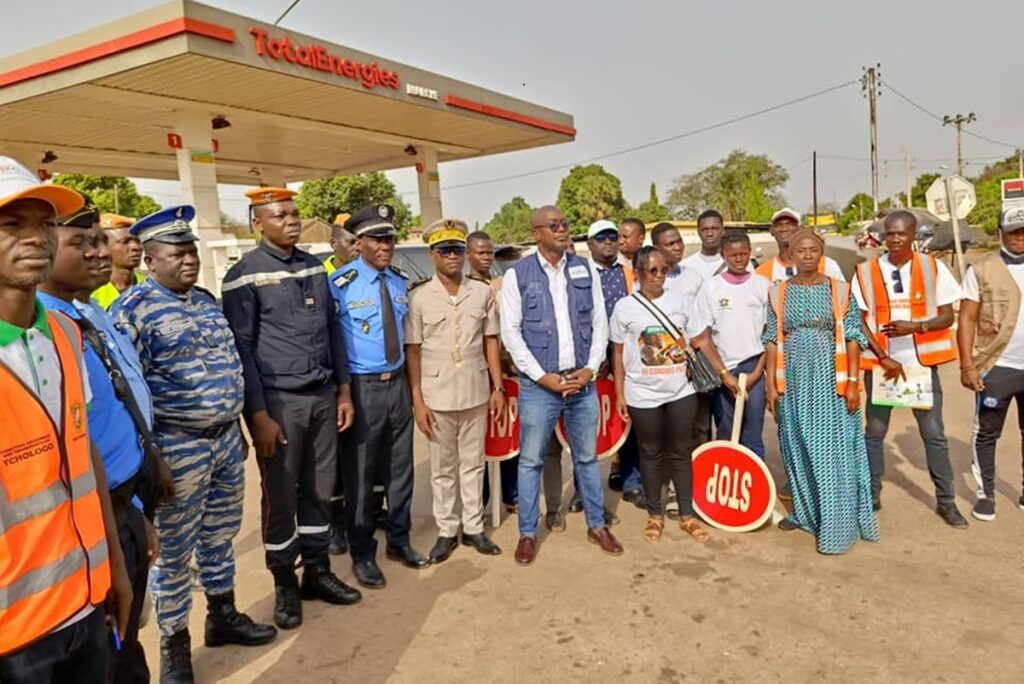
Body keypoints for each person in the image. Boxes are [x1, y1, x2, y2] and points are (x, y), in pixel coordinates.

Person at [114, 206, 277, 682]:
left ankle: (222, 615)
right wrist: (153, 458)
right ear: (150, 260)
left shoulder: (207, 301)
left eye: (192, 251)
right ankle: (174, 644)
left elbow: (229, 366)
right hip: (176, 448)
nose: (188, 260)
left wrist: (238, 431)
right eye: (176, 253)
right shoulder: (133, 311)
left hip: (224, 441)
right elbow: (130, 392)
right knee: (174, 552)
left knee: (220, 536)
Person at [0, 157, 132, 683]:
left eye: (46, 224)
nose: (36, 238)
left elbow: (83, 454)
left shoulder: (64, 336)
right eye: (12, 224)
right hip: (14, 640)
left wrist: (115, 568)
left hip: (84, 603)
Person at [38, 204, 168, 684]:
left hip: (128, 498)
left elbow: (122, 399)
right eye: (82, 244)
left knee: (128, 635)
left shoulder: (89, 311)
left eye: (99, 241)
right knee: (111, 647)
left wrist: (149, 465)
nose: (98, 253)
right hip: (97, 511)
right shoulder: (46, 329)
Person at [222, 188, 360, 631]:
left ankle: (316, 572)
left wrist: (343, 391)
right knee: (280, 496)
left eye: (294, 213)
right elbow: (242, 349)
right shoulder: (243, 275)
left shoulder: (314, 266)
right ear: (258, 224)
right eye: (279, 215)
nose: (291, 220)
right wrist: (257, 415)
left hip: (321, 397)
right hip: (279, 404)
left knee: (320, 489)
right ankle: (285, 581)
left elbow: (333, 331)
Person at [500, 205, 623, 565]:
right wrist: (541, 377)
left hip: (581, 381)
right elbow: (511, 332)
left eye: (565, 223)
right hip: (540, 386)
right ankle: (527, 532)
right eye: (553, 225)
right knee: (531, 461)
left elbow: (600, 322)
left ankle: (597, 524)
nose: (562, 229)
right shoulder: (516, 275)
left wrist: (590, 368)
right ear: (536, 233)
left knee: (586, 458)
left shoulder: (584, 268)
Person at [329, 204, 429, 589]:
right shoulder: (339, 284)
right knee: (359, 475)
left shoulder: (399, 283)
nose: (386, 245)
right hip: (361, 386)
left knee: (400, 470)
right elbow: (335, 346)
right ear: (359, 243)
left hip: (397, 385)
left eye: (389, 238)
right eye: (377, 239)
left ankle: (399, 540)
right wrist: (343, 393)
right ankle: (362, 552)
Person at [763, 228, 879, 554]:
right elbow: (772, 340)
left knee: (831, 452)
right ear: (791, 254)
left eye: (813, 250)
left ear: (822, 252)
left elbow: (854, 338)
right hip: (794, 383)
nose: (807, 256)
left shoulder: (840, 291)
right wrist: (772, 386)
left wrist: (854, 384)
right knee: (796, 446)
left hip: (833, 383)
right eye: (801, 250)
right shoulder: (778, 293)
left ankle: (836, 527)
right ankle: (805, 513)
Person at [612, 246, 737, 542]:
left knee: (681, 453)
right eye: (651, 271)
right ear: (638, 273)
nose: (658, 277)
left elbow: (699, 339)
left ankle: (686, 515)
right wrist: (619, 394)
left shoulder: (681, 301)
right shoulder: (624, 307)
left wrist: (723, 373)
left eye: (663, 270)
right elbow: (618, 354)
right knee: (651, 454)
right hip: (642, 393)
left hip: (681, 390)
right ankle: (655, 515)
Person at [851, 210, 967, 527]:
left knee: (934, 436)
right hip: (882, 366)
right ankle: (870, 496)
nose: (895, 239)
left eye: (902, 233)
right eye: (890, 233)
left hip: (920, 366)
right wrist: (883, 356)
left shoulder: (933, 268)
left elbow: (947, 316)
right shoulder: (866, 271)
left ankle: (947, 502)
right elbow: (858, 321)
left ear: (914, 234)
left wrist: (916, 327)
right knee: (874, 434)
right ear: (883, 236)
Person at [406, 219, 505, 563]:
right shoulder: (419, 297)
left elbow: (491, 340)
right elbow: (413, 351)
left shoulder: (480, 291)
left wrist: (497, 386)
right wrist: (417, 401)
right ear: (432, 254)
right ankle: (447, 529)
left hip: (476, 390)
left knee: (473, 464)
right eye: (445, 250)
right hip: (437, 394)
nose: (453, 256)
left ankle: (474, 527)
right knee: (443, 468)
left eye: (458, 249)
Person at [958, 206, 1024, 521]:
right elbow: (967, 318)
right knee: (986, 432)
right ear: (1000, 233)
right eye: (1014, 231)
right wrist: (967, 365)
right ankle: (986, 495)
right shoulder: (982, 270)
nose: (1020, 237)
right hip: (998, 366)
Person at [696, 230, 769, 458]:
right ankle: (724, 487)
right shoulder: (711, 288)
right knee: (726, 432)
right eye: (733, 255)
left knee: (753, 433)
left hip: (754, 368)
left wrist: (758, 371)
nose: (739, 259)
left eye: (744, 254)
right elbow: (701, 337)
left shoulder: (762, 285)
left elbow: (770, 334)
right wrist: (724, 374)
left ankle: (753, 489)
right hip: (724, 370)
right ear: (723, 254)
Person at [587, 219, 644, 509]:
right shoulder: (580, 274)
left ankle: (632, 479)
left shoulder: (629, 272)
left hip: (627, 355)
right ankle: (582, 490)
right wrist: (597, 357)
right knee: (588, 423)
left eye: (612, 237)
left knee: (628, 418)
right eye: (601, 238)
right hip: (592, 359)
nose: (609, 242)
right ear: (590, 244)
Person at [467, 230, 520, 513]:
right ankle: (483, 496)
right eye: (480, 253)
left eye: (489, 253)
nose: (486, 258)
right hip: (478, 373)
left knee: (509, 432)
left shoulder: (502, 284)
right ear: (468, 255)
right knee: (480, 440)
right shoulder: (463, 287)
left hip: (507, 371)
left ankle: (511, 493)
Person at [756, 208, 845, 285]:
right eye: (779, 225)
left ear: (800, 229)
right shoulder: (762, 272)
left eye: (790, 224)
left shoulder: (827, 265)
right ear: (771, 231)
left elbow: (843, 298)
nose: (784, 228)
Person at [92, 213, 143, 310]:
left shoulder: (151, 286)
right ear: (105, 246)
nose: (136, 247)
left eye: (137, 241)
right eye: (125, 241)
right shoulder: (90, 292)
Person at [681, 210, 727, 280]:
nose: (710, 234)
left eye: (714, 229)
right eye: (705, 229)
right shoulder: (685, 266)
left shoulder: (737, 264)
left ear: (723, 230)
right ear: (698, 232)